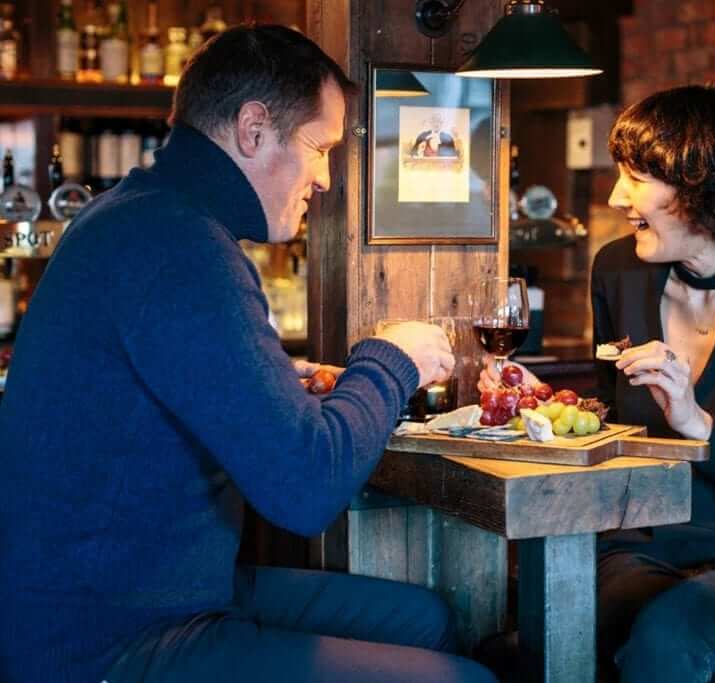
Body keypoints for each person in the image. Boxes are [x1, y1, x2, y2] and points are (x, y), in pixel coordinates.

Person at [0, 25, 495, 683]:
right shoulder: (181, 245)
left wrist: (284, 380)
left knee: (432, 618)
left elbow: (177, 384)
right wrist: (389, 358)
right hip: (107, 641)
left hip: (145, 592)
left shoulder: (141, 213)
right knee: (466, 679)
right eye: (319, 148)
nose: (325, 178)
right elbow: (304, 487)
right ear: (253, 129)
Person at [481, 84, 715, 682]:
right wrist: (540, 401)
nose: (616, 196)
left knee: (675, 632)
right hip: (644, 547)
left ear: (703, 186)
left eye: (637, 177)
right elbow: (613, 422)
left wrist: (698, 424)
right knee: (559, 629)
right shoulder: (619, 269)